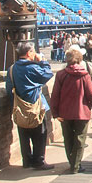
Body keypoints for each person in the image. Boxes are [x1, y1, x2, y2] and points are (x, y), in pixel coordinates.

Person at [5, 42, 54, 170]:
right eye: (33, 51)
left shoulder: (11, 69)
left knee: (24, 134)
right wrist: (42, 60)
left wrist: (14, 105)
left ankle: (26, 160)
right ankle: (39, 161)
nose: (35, 54)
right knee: (40, 134)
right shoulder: (32, 67)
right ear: (28, 53)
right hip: (35, 106)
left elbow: (9, 88)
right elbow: (47, 74)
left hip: (20, 107)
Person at [50, 48, 92, 174]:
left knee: (68, 138)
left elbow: (55, 95)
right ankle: (75, 165)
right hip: (82, 112)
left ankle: (72, 163)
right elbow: (91, 93)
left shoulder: (60, 75)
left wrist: (55, 113)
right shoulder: (85, 75)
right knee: (80, 139)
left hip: (64, 112)